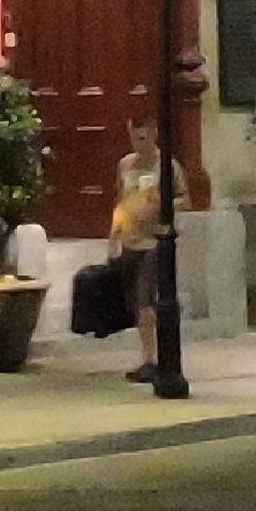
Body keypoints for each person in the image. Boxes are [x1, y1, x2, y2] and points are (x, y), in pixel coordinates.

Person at [110, 120, 166, 378]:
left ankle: (151, 359)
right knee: (134, 299)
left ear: (153, 135)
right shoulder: (126, 165)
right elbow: (121, 201)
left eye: (143, 138)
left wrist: (159, 205)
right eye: (134, 138)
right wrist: (114, 236)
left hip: (153, 241)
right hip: (130, 239)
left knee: (146, 297)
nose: (138, 144)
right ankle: (148, 353)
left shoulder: (165, 165)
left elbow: (185, 198)